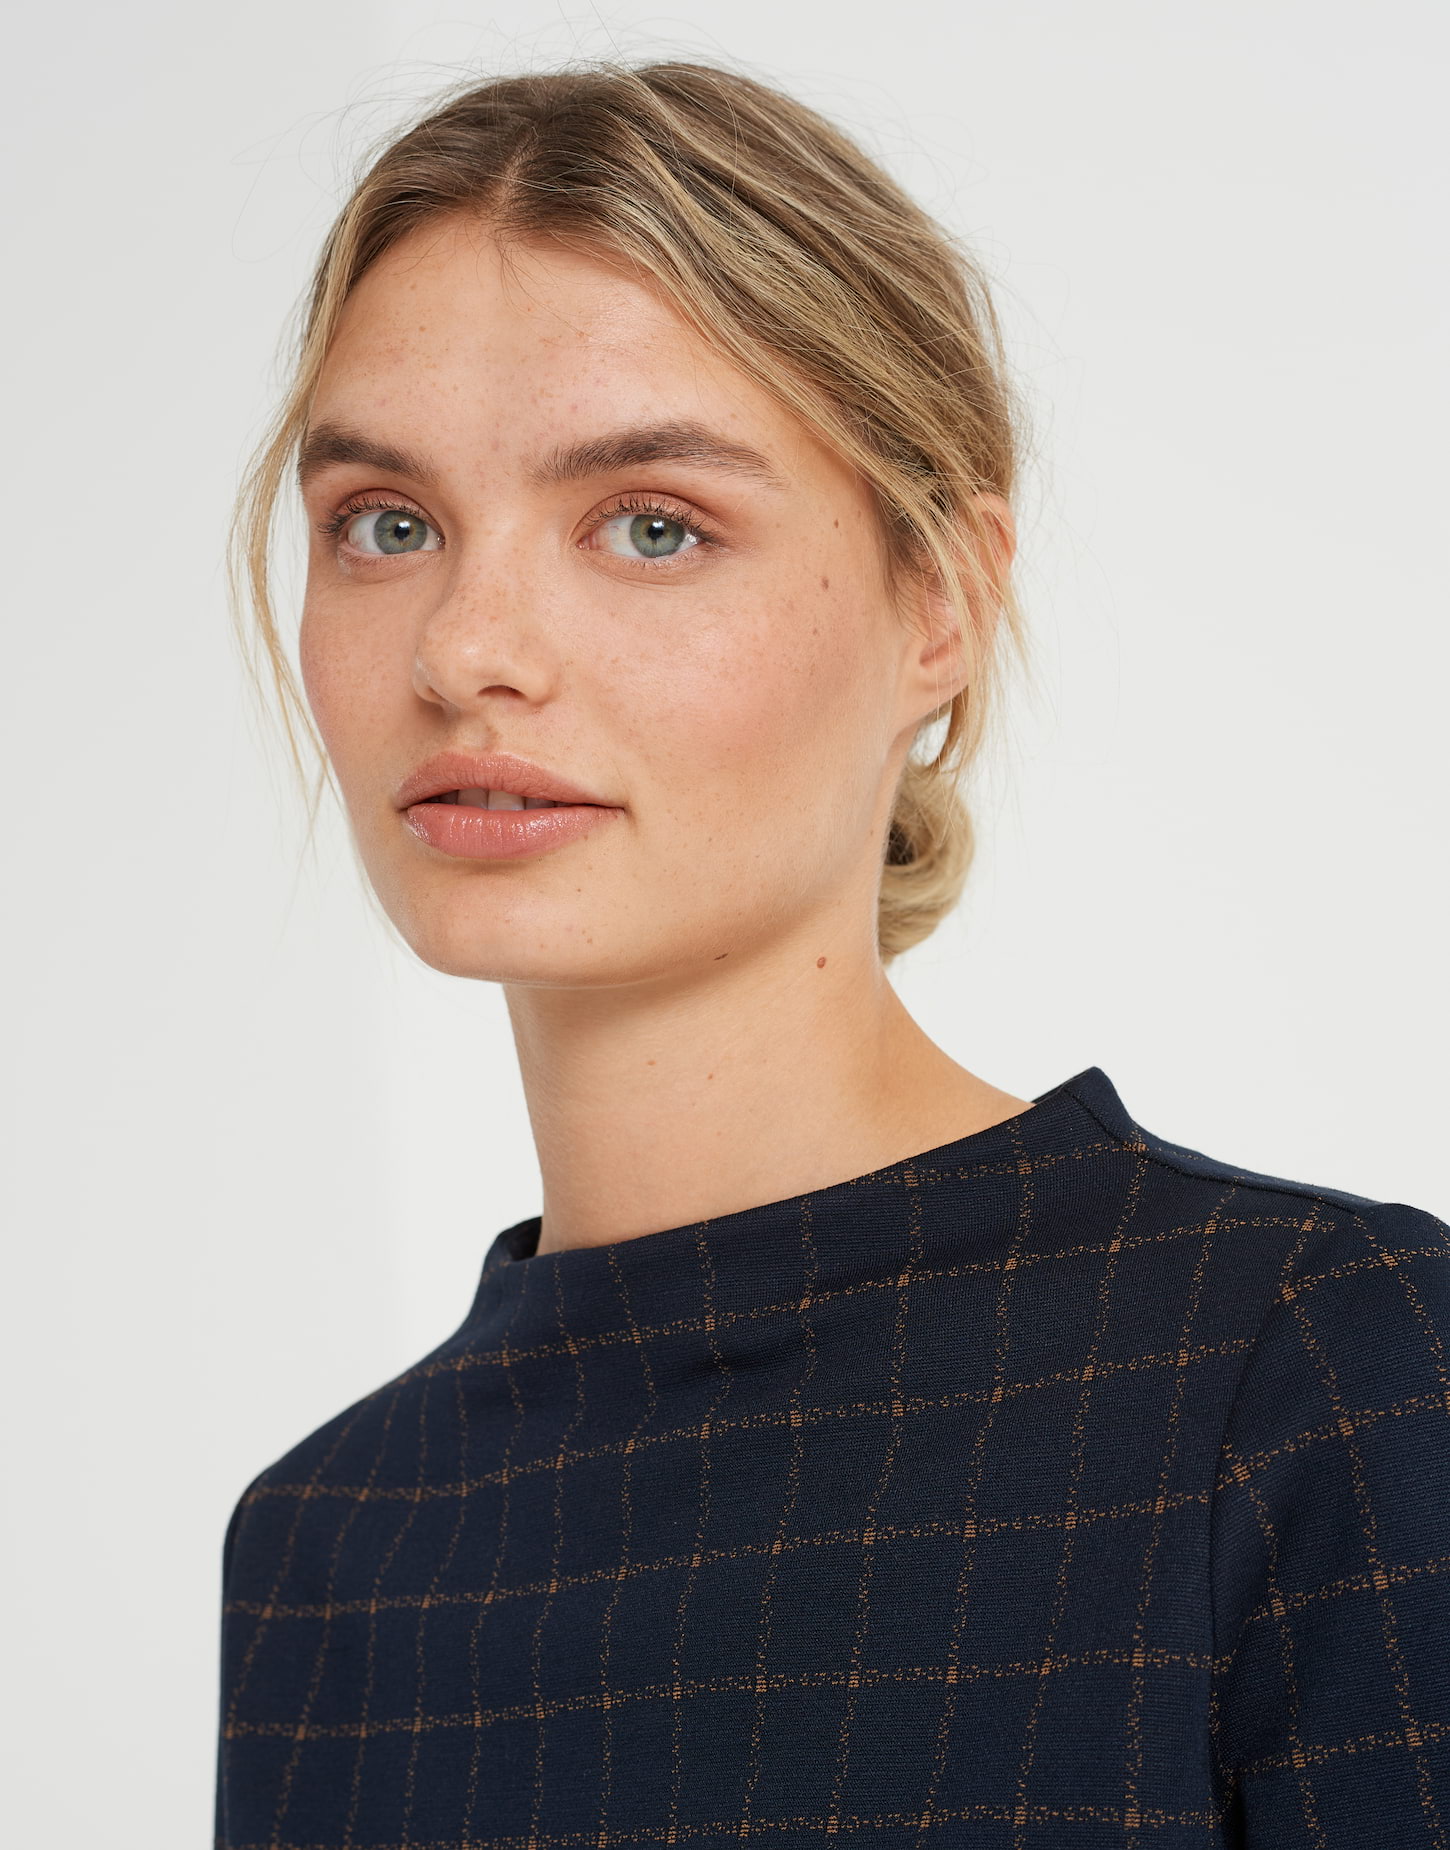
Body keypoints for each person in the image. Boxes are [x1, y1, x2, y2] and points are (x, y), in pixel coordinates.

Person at [215, 59, 1450, 1848]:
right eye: (385, 525)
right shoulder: (329, 1550)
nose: (466, 647)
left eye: (652, 524)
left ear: (938, 599)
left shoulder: (1315, 1369)